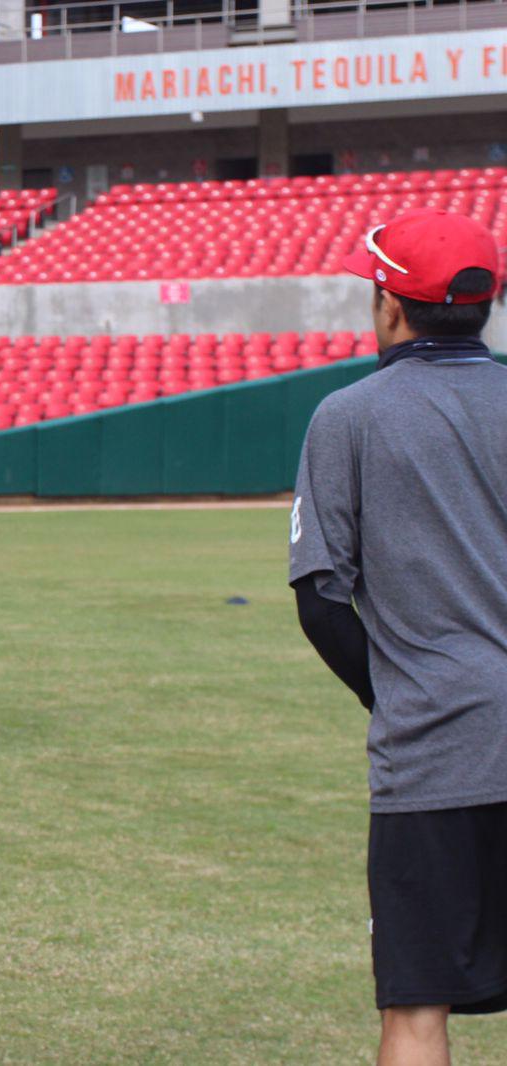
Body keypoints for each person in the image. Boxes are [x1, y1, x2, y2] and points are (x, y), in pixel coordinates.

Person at [291, 207, 507, 1065]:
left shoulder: (348, 415)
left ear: (391, 307)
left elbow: (320, 598)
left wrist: (395, 691)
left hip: (436, 748)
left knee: (417, 1010)